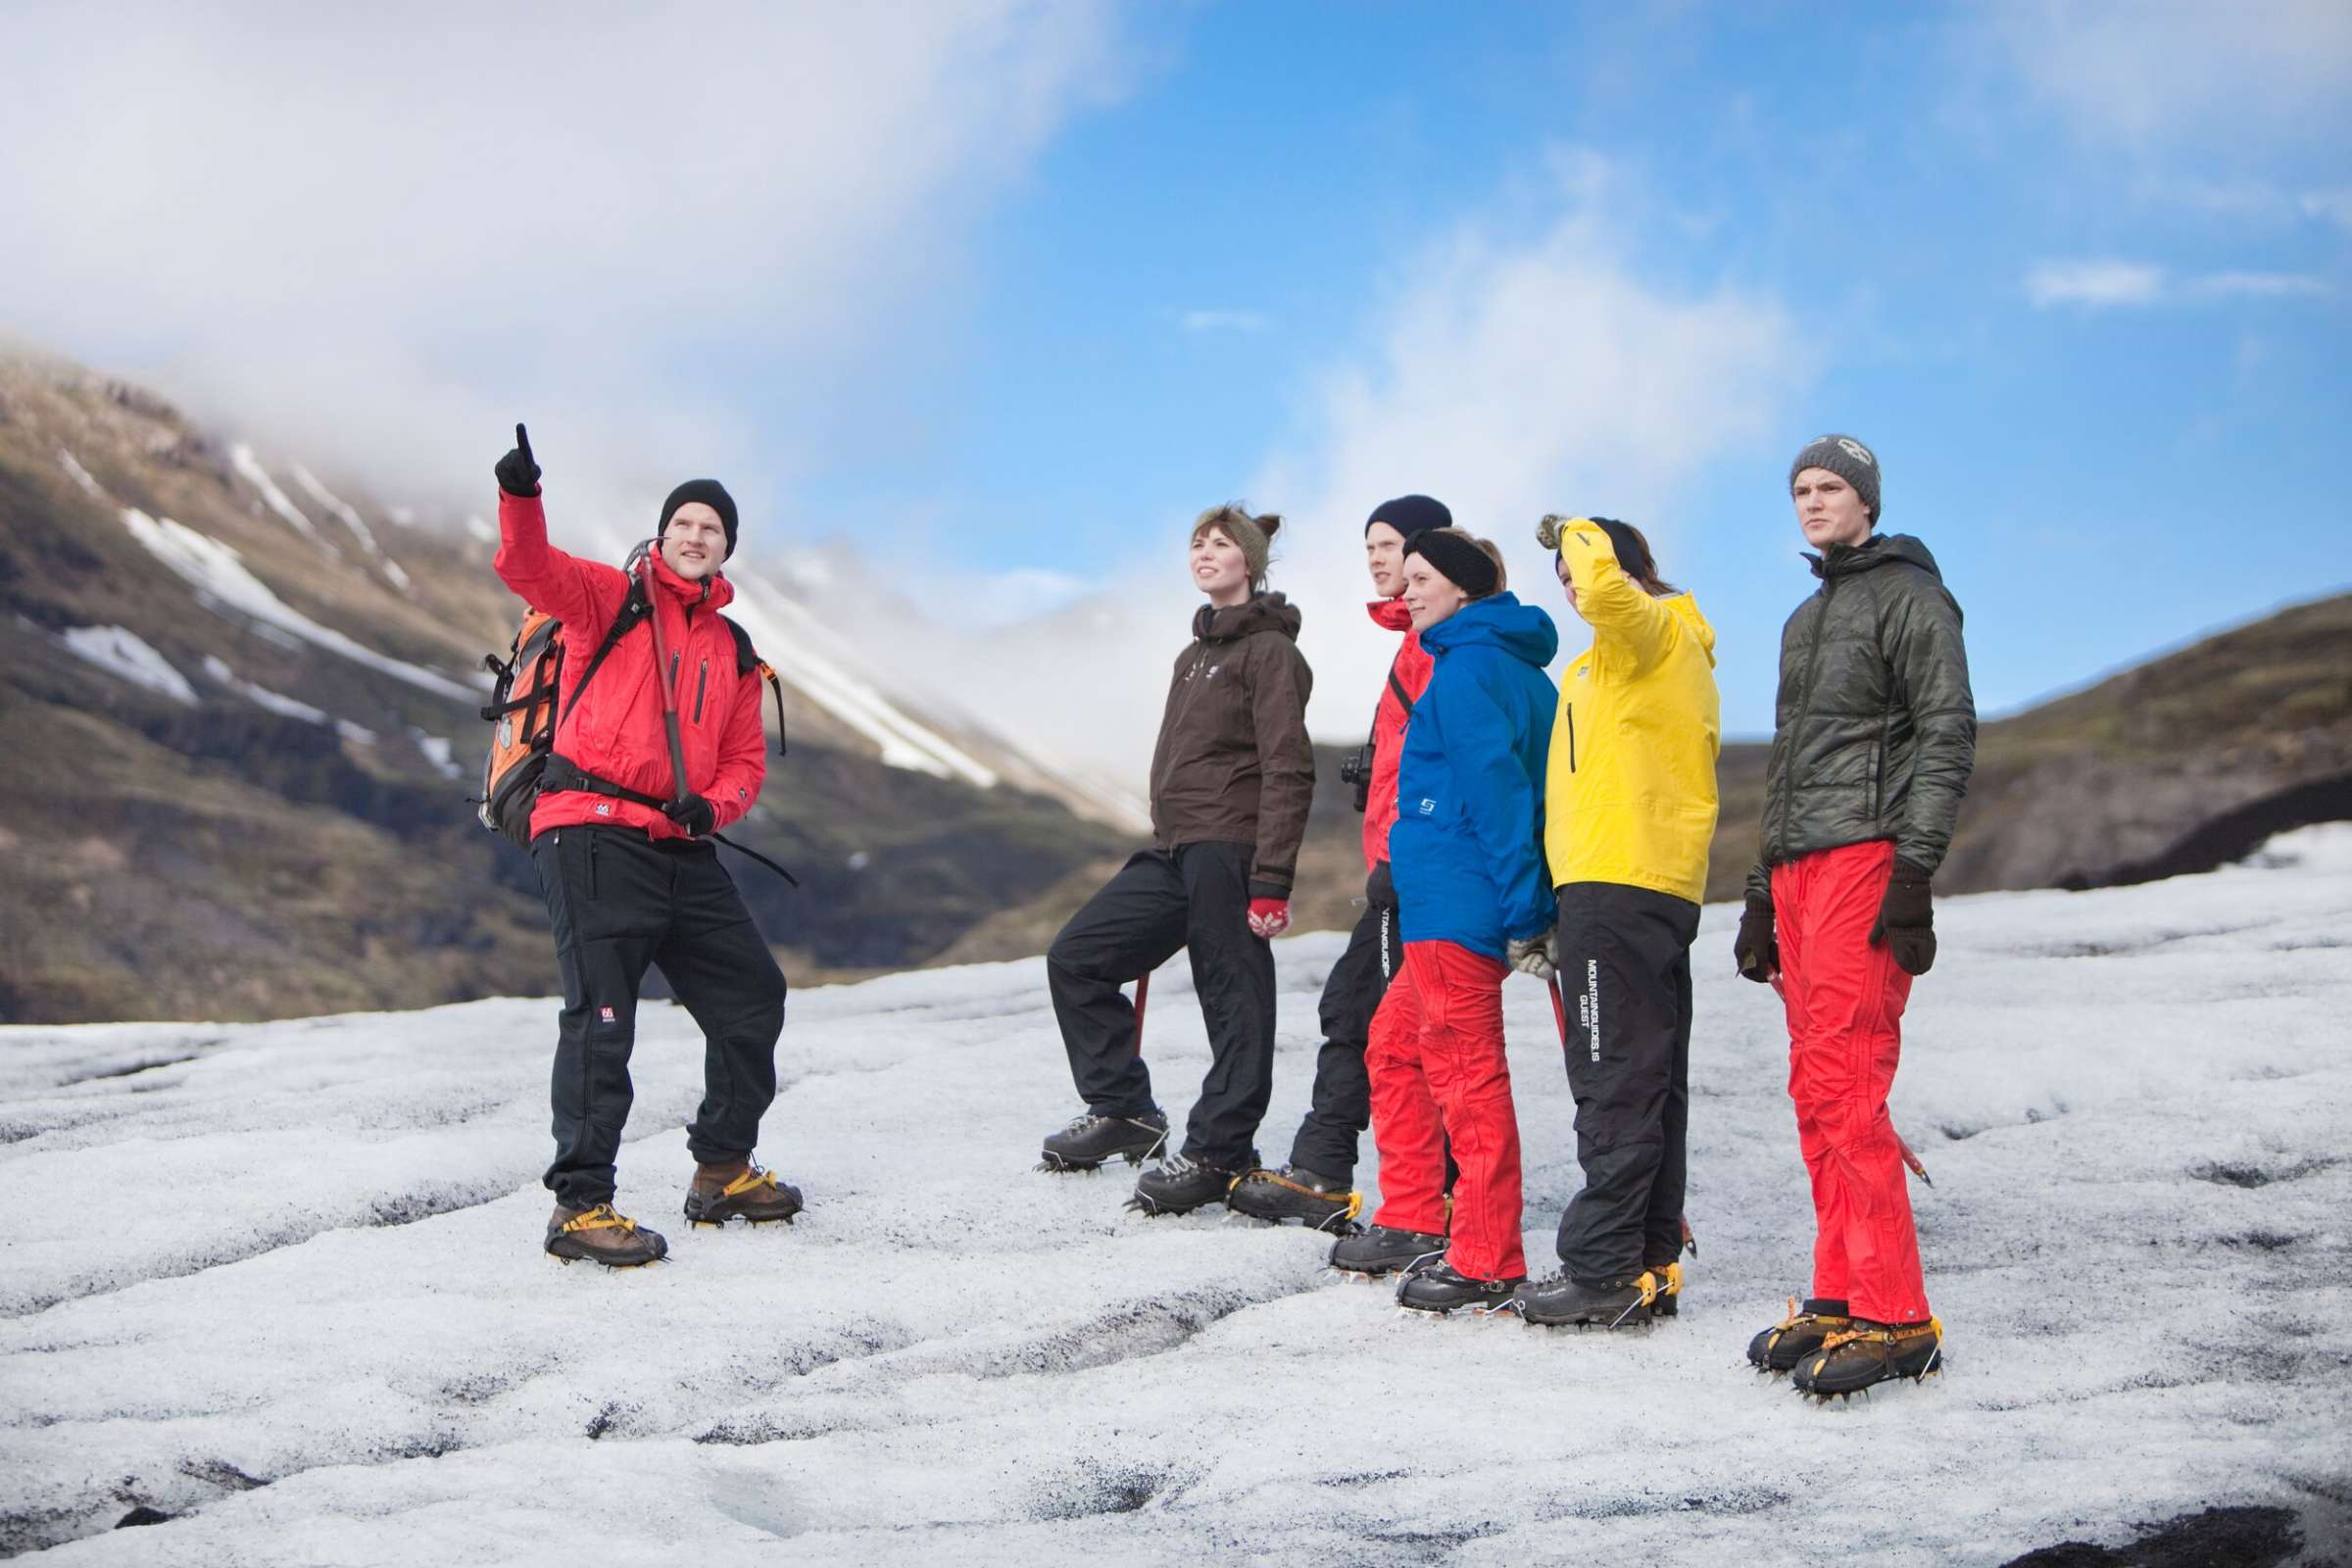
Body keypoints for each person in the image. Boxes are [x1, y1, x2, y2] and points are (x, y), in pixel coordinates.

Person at [492, 426, 800, 1269]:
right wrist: (521, 498)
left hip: (678, 844)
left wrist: (716, 808)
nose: (696, 536)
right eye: (684, 523)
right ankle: (581, 1208)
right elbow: (530, 570)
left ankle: (720, 1171)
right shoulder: (608, 597)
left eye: (713, 527)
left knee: (753, 997)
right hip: (588, 827)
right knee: (602, 1016)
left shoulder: (734, 650)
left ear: (727, 547)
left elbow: (744, 762)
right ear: (663, 534)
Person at [1735, 434, 1974, 1395]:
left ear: (1866, 499)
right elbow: (1789, 769)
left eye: (1831, 486)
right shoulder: (1805, 619)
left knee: (1849, 1082)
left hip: (1866, 860)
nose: (1813, 500)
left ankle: (1898, 1315)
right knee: (1814, 1086)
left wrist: (1914, 871)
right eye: (1801, 487)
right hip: (1798, 869)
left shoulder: (1913, 595)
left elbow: (1947, 728)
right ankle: (1841, 1294)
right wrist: (1758, 892)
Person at [1038, 504, 1315, 1215]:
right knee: (1078, 956)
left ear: (1248, 563)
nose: (1205, 552)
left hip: (1230, 848)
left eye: (1221, 544)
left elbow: (1288, 767)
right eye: (1197, 542)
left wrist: (1272, 878)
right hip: (1173, 847)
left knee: (1234, 1000)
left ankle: (1222, 1151)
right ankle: (1125, 1111)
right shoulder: (1193, 656)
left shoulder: (1271, 653)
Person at [1341, 528, 1559, 1312]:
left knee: (1467, 1079)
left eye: (1423, 577)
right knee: (1394, 1047)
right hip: (1452, 896)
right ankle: (1413, 1214)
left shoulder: (1465, 670)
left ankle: (1486, 1255)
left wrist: (1527, 908)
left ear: (1464, 588)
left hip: (1458, 901)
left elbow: (1501, 798)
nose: (1408, 590)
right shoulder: (1521, 671)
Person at [1510, 516, 1720, 1328]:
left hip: (1616, 879)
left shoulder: (1650, 632)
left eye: (1575, 566)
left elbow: (1604, 588)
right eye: (1558, 571)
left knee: (1611, 1082)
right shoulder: (1619, 659)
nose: (1569, 582)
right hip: (1644, 881)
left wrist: (1577, 529)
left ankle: (1600, 1270)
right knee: (1652, 1081)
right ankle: (1647, 1261)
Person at [1228, 494, 1451, 1231]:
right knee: (1392, 1018)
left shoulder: (1438, 642)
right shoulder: (1414, 641)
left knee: (1371, 1014)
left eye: (1390, 545)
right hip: (1401, 867)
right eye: (1370, 549)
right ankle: (1431, 1182)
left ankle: (1331, 1174)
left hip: (1416, 872)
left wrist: (1405, 851)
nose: (1379, 561)